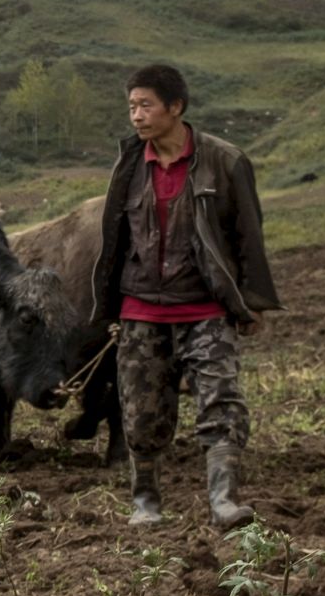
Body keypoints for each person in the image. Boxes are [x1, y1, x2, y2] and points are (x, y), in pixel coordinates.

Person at [90, 64, 280, 528]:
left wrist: (252, 301)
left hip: (206, 307)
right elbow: (115, 237)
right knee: (141, 412)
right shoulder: (130, 164)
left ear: (176, 107)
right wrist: (107, 305)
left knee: (221, 402)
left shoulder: (225, 161)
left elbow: (247, 236)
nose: (136, 115)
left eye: (146, 105)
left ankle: (224, 501)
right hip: (141, 310)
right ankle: (145, 502)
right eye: (132, 106)